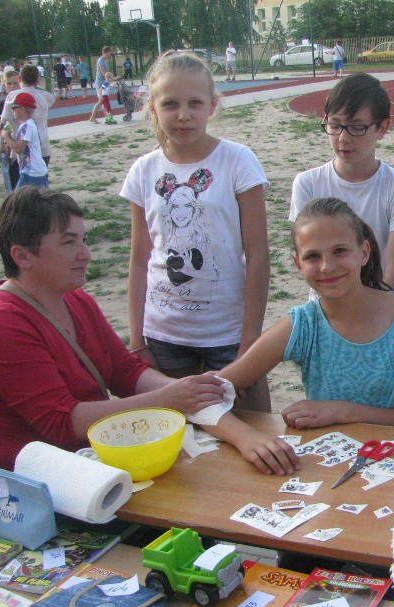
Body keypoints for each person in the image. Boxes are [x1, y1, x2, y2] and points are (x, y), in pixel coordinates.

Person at [0, 187, 227, 529]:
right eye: (68, 242)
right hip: (18, 504)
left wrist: (190, 390)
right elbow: (61, 423)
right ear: (22, 256)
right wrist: (168, 399)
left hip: (77, 480)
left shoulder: (75, 300)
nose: (85, 254)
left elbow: (124, 371)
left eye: (84, 240)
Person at [121, 51, 272, 413]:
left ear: (212, 106)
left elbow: (258, 254)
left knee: (252, 423)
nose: (183, 114)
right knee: (186, 441)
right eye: (170, 104)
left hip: (229, 334)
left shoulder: (237, 161)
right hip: (165, 335)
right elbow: (140, 259)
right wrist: (136, 338)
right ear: (153, 107)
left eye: (194, 103)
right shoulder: (143, 171)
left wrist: (250, 338)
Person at [218, 197, 394, 433]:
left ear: (364, 252)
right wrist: (244, 437)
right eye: (312, 256)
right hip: (325, 466)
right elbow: (218, 386)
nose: (327, 266)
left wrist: (343, 412)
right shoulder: (304, 325)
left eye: (339, 251)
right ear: (298, 264)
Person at [289, 74, 394, 293]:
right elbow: (311, 260)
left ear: (382, 128)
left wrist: (376, 317)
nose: (343, 138)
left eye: (356, 127)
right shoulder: (308, 183)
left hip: (378, 305)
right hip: (326, 304)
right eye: (335, 125)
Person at [0, 65, 56, 166]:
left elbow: (4, 122)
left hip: (22, 144)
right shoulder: (45, 95)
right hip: (42, 144)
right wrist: (39, 79)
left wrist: (3, 143)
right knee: (40, 176)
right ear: (38, 80)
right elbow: (50, 85)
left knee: (22, 179)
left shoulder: (12, 96)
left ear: (19, 78)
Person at [0, 92, 48, 189]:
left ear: (22, 109)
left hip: (31, 172)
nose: (12, 110)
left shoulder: (26, 126)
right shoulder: (29, 124)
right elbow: (21, 145)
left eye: (14, 108)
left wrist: (5, 136)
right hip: (37, 170)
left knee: (17, 201)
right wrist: (10, 138)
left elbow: (18, 148)